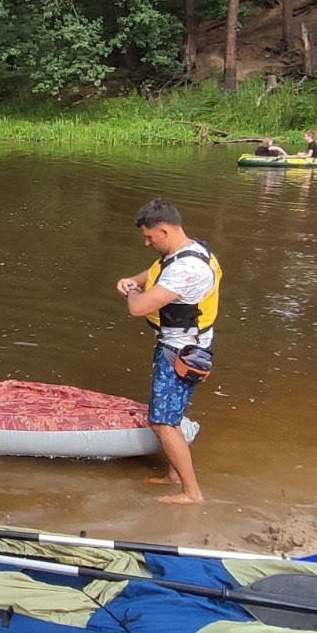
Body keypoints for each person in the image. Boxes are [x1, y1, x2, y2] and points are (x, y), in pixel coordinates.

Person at [115, 198, 222, 505]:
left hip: (180, 352)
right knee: (172, 414)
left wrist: (132, 291)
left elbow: (138, 308)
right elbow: (157, 271)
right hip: (189, 344)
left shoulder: (187, 269)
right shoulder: (191, 249)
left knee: (162, 421)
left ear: (164, 230)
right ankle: (174, 475)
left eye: (149, 236)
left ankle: (191, 493)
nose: (147, 243)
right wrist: (135, 279)